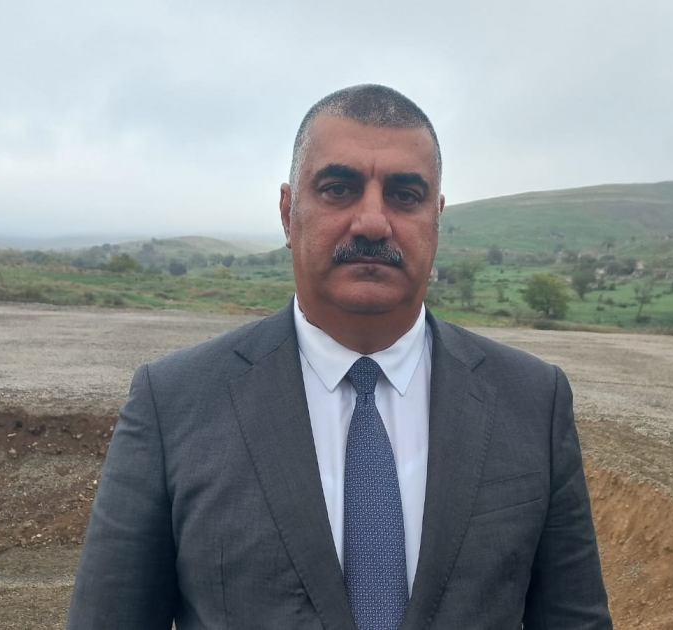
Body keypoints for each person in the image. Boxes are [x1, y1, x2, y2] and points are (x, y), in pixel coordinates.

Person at [66, 84, 612, 629]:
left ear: (437, 219)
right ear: (288, 213)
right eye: (338, 189)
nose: (372, 222)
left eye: (405, 195)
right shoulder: (173, 403)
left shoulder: (532, 401)